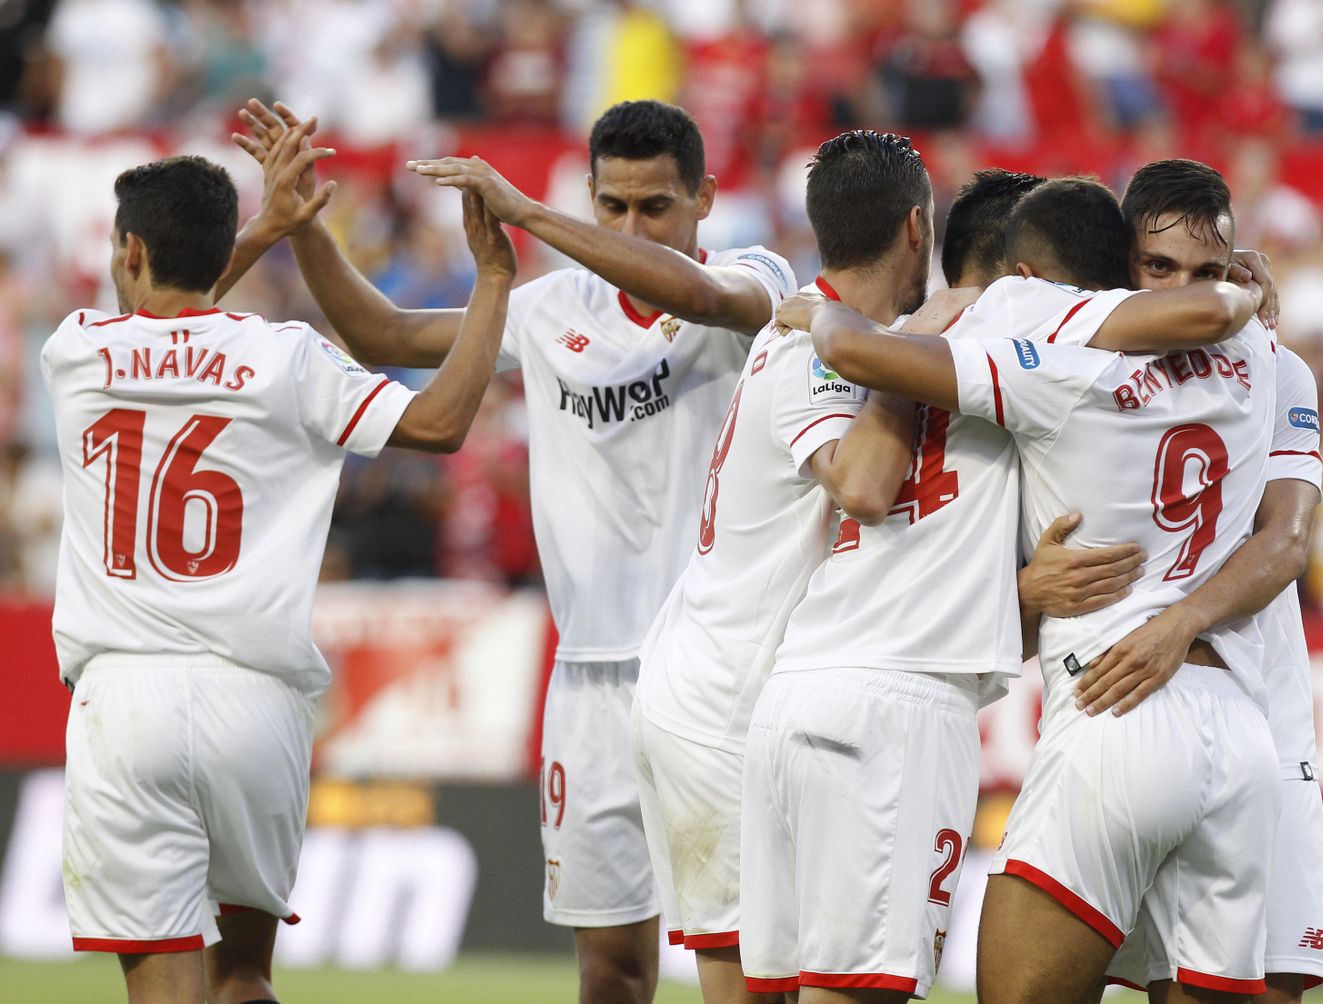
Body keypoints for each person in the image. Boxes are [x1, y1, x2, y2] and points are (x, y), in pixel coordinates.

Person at [232, 98, 794, 1004]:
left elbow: (691, 294)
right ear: (592, 196)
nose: (630, 224)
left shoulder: (752, 279)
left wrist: (528, 213)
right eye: (612, 205)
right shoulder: (547, 310)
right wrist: (304, 231)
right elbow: (384, 336)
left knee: (747, 964)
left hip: (718, 672)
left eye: (655, 206)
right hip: (588, 683)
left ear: (707, 199)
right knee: (609, 971)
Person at [750, 175, 1266, 1003]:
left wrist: (826, 315)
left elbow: (861, 378)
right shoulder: (1266, 356)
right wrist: (1243, 287)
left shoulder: (1044, 340)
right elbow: (1284, 538)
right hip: (1240, 727)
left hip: (1114, 706)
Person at [43, 142, 514, 1004]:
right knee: (244, 978)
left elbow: (173, 325)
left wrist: (262, 228)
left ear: (131, 252)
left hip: (124, 699)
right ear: (218, 253)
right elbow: (443, 422)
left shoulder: (77, 352)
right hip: (254, 707)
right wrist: (491, 281)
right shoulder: (290, 359)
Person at [632, 129, 932, 1004]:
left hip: (723, 688)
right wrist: (911, 358)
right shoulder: (816, 346)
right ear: (917, 227)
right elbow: (865, 486)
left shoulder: (828, 325)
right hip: (722, 710)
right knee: (760, 991)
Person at [1081, 159, 1323, 1002]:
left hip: (1260, 707)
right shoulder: (1081, 366)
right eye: (1160, 268)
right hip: (1123, 710)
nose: (1183, 291)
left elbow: (1285, 540)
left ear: (1237, 274)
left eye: (1207, 273)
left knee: (1271, 986)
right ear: (1123, 264)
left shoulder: (1277, 371)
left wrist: (1180, 624)